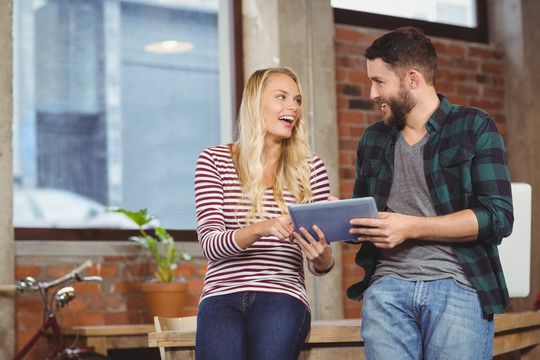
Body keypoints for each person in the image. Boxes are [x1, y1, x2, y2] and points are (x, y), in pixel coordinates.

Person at [346, 27, 514, 360]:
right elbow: (368, 220)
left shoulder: (474, 127)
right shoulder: (372, 140)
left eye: (379, 82)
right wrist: (340, 220)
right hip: (387, 289)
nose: (371, 93)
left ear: (412, 79)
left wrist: (412, 226)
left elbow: (498, 218)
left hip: (458, 284)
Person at [194, 67, 335, 360]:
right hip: (222, 295)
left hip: (283, 293)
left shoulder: (312, 170)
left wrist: (322, 257)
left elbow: (321, 265)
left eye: (297, 100)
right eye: (281, 97)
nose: (292, 107)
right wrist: (262, 227)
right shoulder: (214, 160)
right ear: (255, 103)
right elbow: (210, 245)